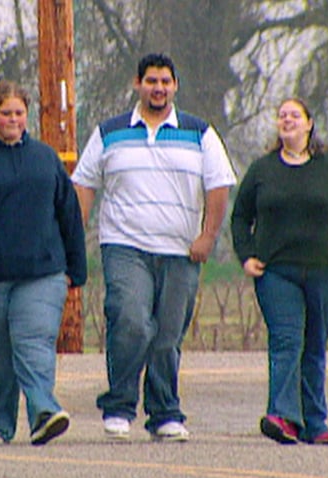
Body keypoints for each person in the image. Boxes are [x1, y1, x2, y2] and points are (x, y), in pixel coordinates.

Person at [72, 53, 236, 442]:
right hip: (124, 245)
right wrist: (75, 238)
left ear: (175, 86)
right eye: (151, 81)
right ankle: (119, 406)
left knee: (166, 336)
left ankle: (165, 412)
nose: (158, 88)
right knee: (129, 320)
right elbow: (84, 185)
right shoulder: (109, 132)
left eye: (165, 81)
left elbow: (218, 187)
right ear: (137, 84)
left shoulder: (200, 133)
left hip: (181, 251)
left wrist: (207, 237)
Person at [230, 97, 328, 446]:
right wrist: (246, 255)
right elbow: (240, 216)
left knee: (314, 345)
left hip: (326, 272)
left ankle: (315, 421)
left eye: (294, 115)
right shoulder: (263, 170)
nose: (287, 120)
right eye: (282, 116)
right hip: (277, 272)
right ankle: (282, 416)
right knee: (286, 340)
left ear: (310, 123)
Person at [0, 80, 87, 446]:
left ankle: (44, 411)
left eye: (19, 113)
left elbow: (69, 215)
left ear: (27, 116)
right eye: (6, 113)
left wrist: (75, 269)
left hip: (42, 273)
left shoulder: (46, 159)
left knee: (34, 344)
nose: (13, 119)